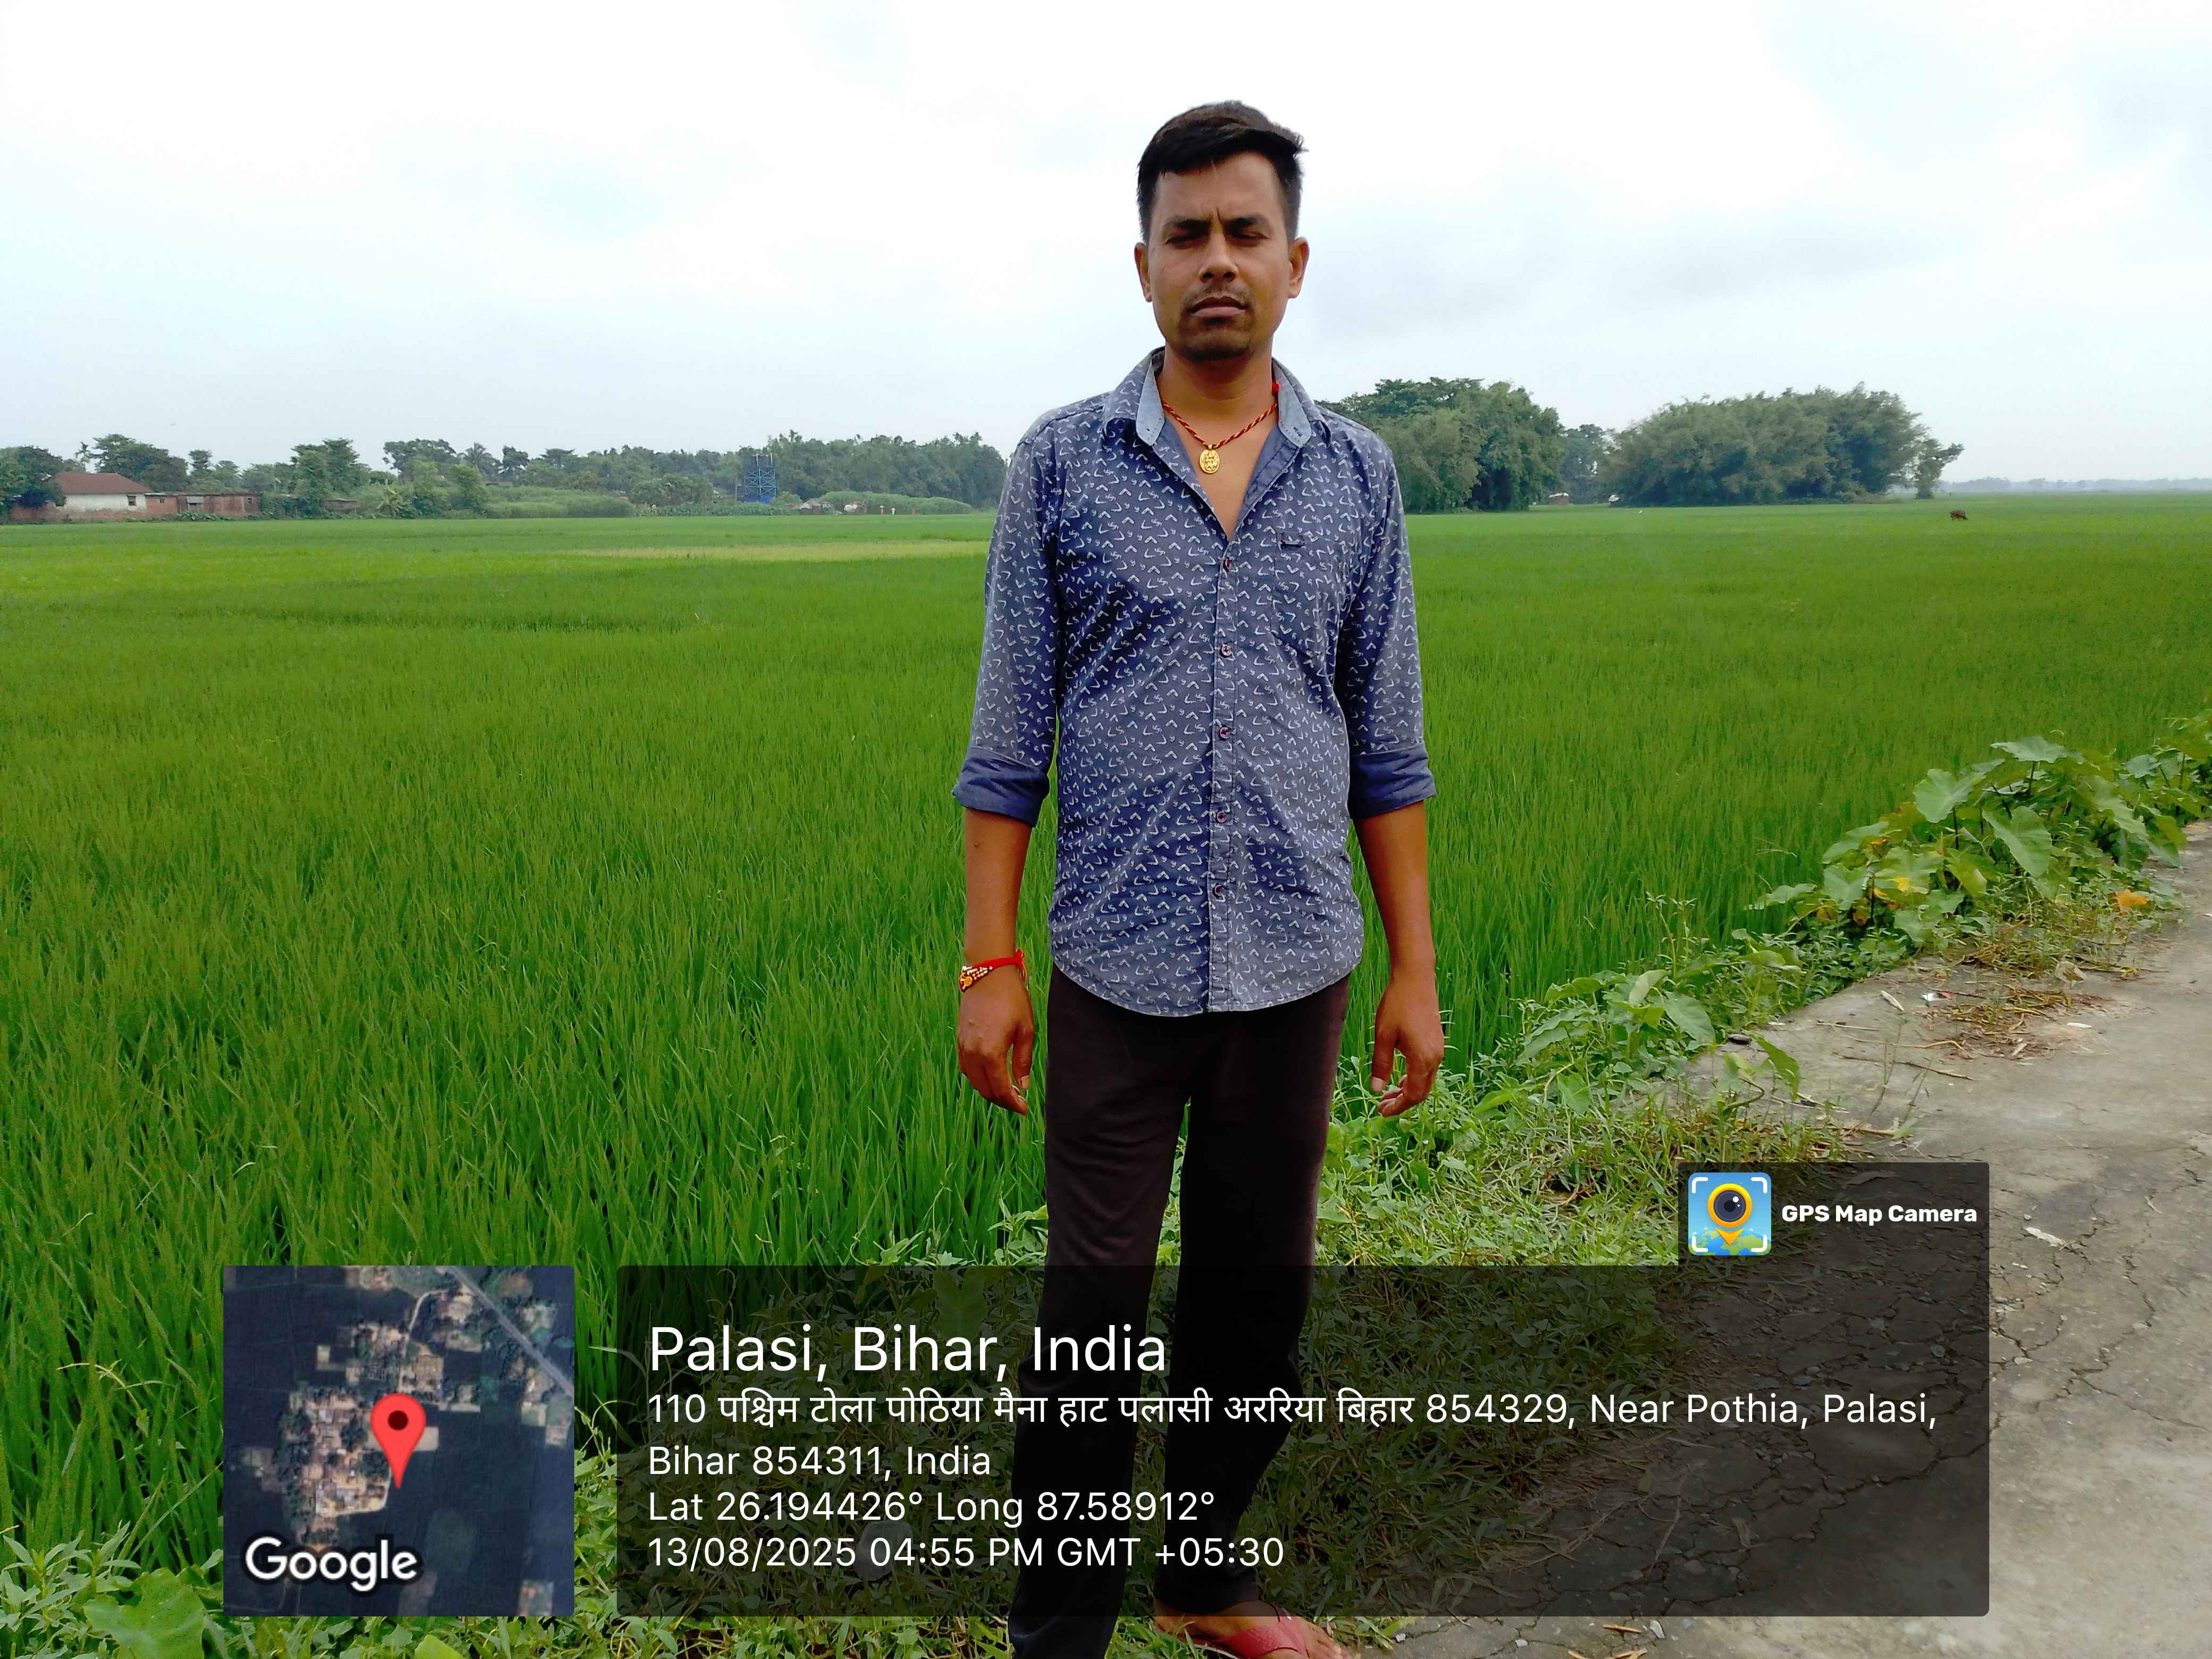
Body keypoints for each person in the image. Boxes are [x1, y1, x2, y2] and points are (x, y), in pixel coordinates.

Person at [952, 101, 1443, 1659]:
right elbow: (1006, 745)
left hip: (1297, 964)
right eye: (1187, 236)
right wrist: (989, 963)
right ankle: (1059, 1637)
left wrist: (1417, 973)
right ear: (1144, 265)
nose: (1216, 261)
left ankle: (1205, 1576)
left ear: (1295, 261)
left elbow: (1388, 749)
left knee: (1255, 1303)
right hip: (1115, 966)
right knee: (1089, 1316)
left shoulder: (1357, 478)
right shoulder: (1062, 467)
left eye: (1245, 232)